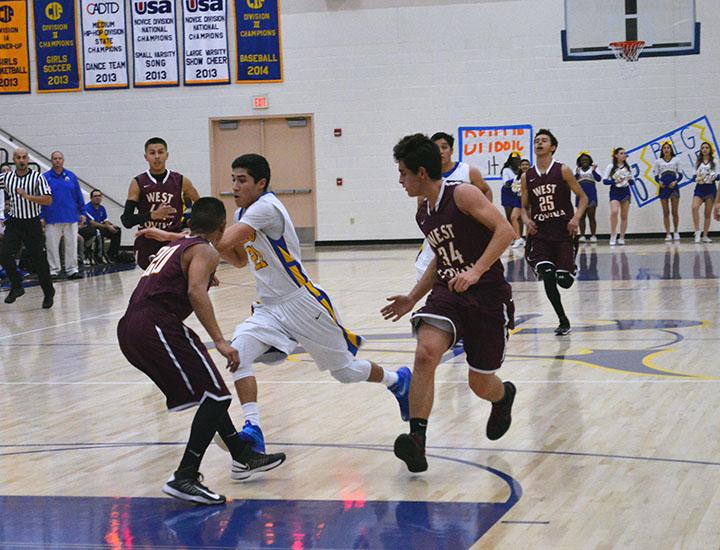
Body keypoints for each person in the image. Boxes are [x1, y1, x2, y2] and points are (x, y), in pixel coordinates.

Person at [142, 154, 412, 455]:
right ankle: (252, 430)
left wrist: (174, 238)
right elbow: (240, 258)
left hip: (302, 302)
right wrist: (209, 260)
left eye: (242, 180)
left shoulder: (265, 209)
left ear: (261, 183)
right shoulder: (242, 213)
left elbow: (215, 243)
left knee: (345, 372)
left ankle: (397, 380)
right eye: (233, 179)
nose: (235, 185)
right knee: (237, 354)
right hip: (269, 307)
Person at [117, 197, 286, 505]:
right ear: (222, 228)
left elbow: (182, 268)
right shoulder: (204, 250)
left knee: (211, 393)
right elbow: (195, 290)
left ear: (191, 223)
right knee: (217, 396)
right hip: (154, 324)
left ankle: (242, 455)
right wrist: (221, 340)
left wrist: (203, 271)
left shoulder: (181, 245)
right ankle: (185, 475)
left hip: (131, 327)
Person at [382, 133, 517, 473]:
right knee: (425, 353)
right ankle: (417, 440)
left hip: (487, 295)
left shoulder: (463, 194)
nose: (400, 180)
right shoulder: (423, 211)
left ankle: (503, 399)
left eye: (403, 173)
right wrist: (412, 297)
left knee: (480, 383)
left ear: (422, 173)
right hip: (448, 293)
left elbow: (505, 232)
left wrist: (476, 270)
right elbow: (439, 258)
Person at [520, 129, 587, 336]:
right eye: (536, 141)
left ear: (553, 147)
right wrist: (526, 220)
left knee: (564, 281)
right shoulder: (527, 176)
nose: (539, 143)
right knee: (547, 274)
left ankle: (568, 270)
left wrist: (575, 218)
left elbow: (583, 198)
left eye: (544, 140)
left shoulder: (563, 170)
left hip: (562, 232)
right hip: (540, 234)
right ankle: (562, 319)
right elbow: (522, 207)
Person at [414, 132, 493, 281]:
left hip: (462, 238)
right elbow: (421, 208)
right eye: (436, 148)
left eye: (444, 147)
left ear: (451, 150)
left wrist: (482, 219)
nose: (440, 151)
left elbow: (486, 190)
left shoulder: (468, 171)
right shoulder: (425, 176)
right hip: (439, 237)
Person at [121, 137, 200, 269]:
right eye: (152, 153)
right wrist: (152, 215)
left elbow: (201, 206)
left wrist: (189, 224)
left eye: (160, 152)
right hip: (148, 240)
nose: (157, 157)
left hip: (174, 239)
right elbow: (127, 220)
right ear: (146, 157)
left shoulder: (181, 181)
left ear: (167, 155)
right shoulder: (138, 182)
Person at [0, 148, 55, 308]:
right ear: (14, 160)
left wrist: (28, 196)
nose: (22, 160)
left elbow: (48, 200)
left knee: (39, 261)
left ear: (28, 159)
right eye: (18, 158)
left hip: (32, 224)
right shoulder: (6, 177)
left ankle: (48, 292)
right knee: (3, 254)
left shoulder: (37, 177)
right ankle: (17, 286)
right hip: (15, 223)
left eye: (24, 157)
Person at [42, 151, 86, 280]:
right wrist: (41, 216)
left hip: (71, 216)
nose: (57, 161)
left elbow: (78, 195)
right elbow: (41, 198)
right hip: (52, 217)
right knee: (51, 245)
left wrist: (82, 212)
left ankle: (72, 269)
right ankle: (54, 270)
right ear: (51, 160)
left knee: (71, 244)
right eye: (55, 158)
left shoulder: (71, 176)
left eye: (60, 158)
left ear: (63, 160)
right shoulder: (45, 177)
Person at [602, 147, 634, 246]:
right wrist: (614, 181)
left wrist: (629, 180)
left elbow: (632, 181)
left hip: (625, 191)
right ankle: (613, 234)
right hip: (615, 191)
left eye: (624, 153)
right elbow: (604, 180)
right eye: (621, 153)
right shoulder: (611, 166)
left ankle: (622, 237)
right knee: (614, 211)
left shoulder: (628, 167)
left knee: (624, 215)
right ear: (616, 155)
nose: (624, 155)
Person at [81, 189, 122, 262]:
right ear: (91, 198)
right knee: (101, 230)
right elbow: (92, 223)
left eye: (99, 196)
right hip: (91, 229)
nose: (98, 198)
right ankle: (99, 255)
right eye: (95, 196)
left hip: (101, 227)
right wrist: (107, 226)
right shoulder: (87, 208)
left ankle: (112, 254)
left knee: (117, 230)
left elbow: (105, 220)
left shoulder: (102, 208)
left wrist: (111, 225)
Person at [653, 141, 682, 241]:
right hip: (664, 187)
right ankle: (668, 233)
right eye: (664, 148)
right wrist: (659, 182)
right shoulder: (658, 161)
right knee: (666, 212)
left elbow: (680, 175)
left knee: (675, 211)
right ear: (662, 150)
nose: (666, 149)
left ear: (671, 149)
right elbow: (656, 177)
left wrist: (676, 181)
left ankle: (676, 231)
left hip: (673, 186)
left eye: (668, 148)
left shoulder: (676, 160)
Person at [691, 142, 718, 243]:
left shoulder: (714, 161)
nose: (705, 149)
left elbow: (718, 175)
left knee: (707, 213)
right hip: (700, 188)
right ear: (701, 150)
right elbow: (693, 176)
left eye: (707, 147)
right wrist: (698, 178)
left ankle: (705, 235)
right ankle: (697, 232)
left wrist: (711, 176)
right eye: (703, 148)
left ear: (710, 150)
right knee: (694, 208)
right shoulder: (698, 162)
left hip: (710, 189)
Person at [574, 152, 601, 242]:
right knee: (581, 217)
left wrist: (593, 170)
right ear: (579, 162)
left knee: (591, 216)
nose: (584, 161)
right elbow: (573, 180)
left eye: (586, 160)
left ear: (589, 161)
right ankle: (582, 235)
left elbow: (599, 179)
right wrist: (577, 174)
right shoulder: (577, 169)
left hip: (591, 195)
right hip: (580, 195)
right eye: (582, 160)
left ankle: (593, 235)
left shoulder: (594, 169)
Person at [500, 152, 524, 248]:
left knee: (519, 217)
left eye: (518, 159)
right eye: (514, 160)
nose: (516, 161)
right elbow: (506, 183)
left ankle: (520, 237)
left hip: (517, 194)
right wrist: (515, 181)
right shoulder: (506, 170)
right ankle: (512, 237)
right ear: (510, 160)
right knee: (510, 217)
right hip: (507, 194)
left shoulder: (521, 170)